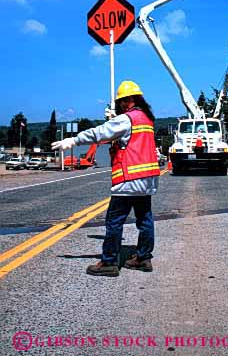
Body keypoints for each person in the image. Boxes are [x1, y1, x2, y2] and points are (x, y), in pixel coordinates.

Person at [51, 81, 160, 277]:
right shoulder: (147, 119)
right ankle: (144, 258)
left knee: (114, 221)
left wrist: (73, 140)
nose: (120, 106)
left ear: (129, 100)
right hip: (147, 179)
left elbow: (99, 132)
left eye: (121, 102)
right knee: (145, 220)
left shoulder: (127, 119)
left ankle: (109, 262)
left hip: (129, 179)